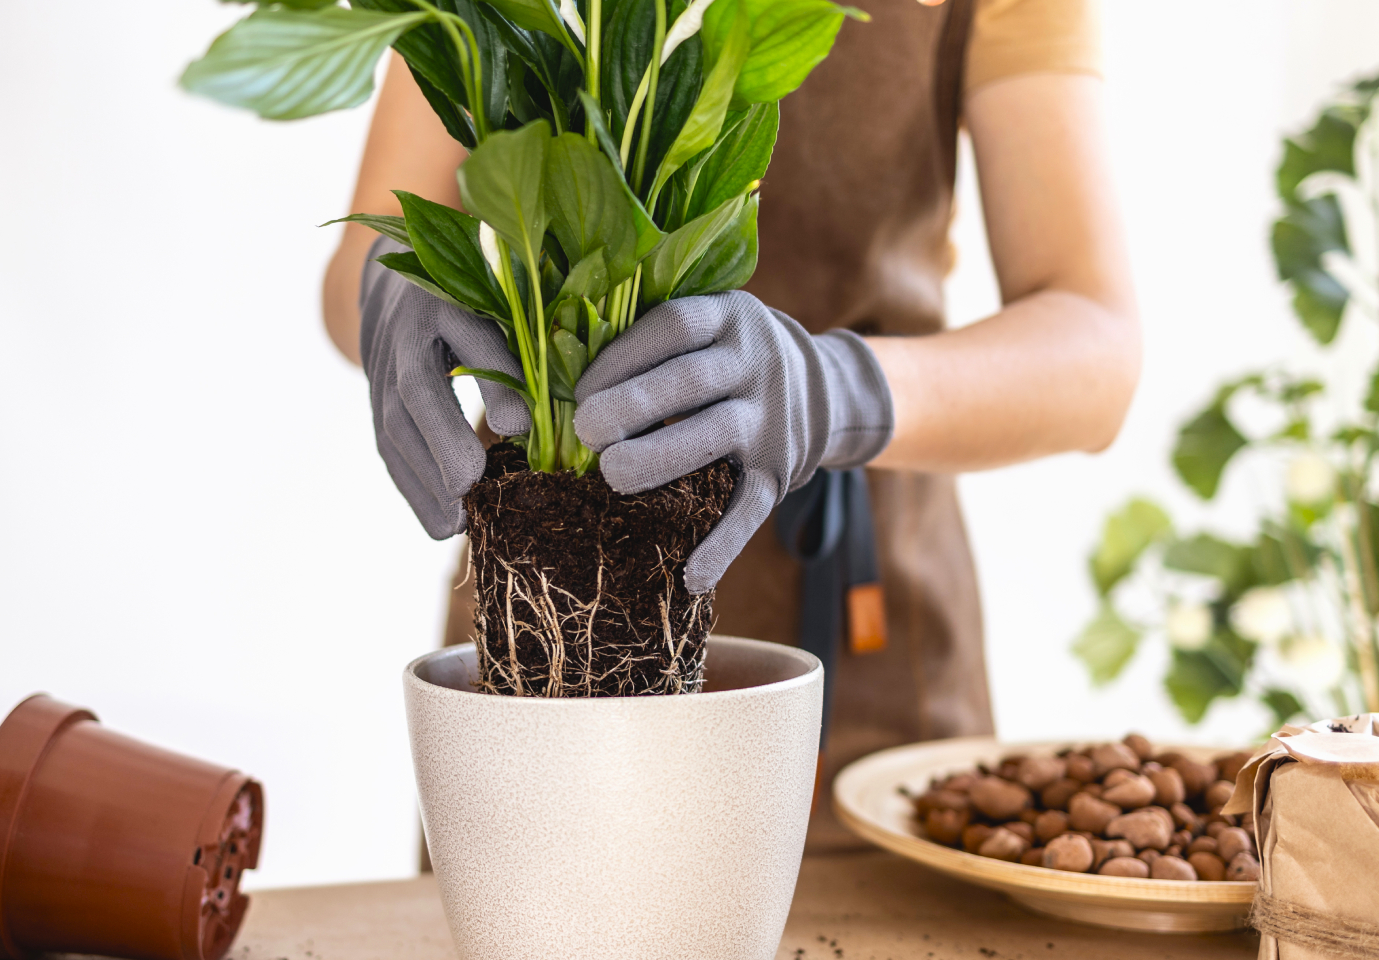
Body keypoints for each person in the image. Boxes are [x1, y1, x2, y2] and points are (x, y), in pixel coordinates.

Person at [322, 0, 1140, 850]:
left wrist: (832, 388)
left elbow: (1096, 347)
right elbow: (356, 266)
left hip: (858, 679)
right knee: (526, 951)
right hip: (542, 652)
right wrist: (393, 279)